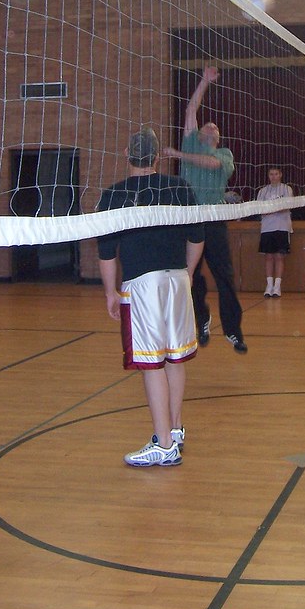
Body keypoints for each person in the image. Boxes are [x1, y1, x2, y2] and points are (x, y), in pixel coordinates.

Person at [97, 126, 203, 468]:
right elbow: (197, 238)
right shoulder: (179, 187)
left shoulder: (113, 195)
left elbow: (106, 252)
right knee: (174, 357)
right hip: (177, 280)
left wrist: (110, 293)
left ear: (127, 154)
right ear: (157, 157)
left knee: (151, 363)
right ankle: (174, 429)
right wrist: (186, 273)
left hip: (143, 285)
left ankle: (163, 444)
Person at [162, 66, 247, 352]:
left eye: (215, 128)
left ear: (217, 139)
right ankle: (202, 320)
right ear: (198, 134)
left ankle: (233, 331)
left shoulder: (224, 155)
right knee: (190, 277)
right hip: (188, 220)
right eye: (206, 125)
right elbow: (191, 109)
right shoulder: (191, 140)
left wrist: (177, 155)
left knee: (225, 275)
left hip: (213, 219)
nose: (210, 126)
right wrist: (204, 81)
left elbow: (210, 165)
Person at [256, 166, 293, 297]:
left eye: (276, 174)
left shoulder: (286, 189)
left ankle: (277, 287)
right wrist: (272, 210)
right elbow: (260, 209)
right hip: (267, 228)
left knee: (279, 256)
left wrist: (271, 210)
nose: (273, 176)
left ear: (280, 175)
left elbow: (286, 207)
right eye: (271, 174)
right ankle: (269, 285)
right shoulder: (263, 191)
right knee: (268, 257)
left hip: (282, 227)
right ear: (268, 175)